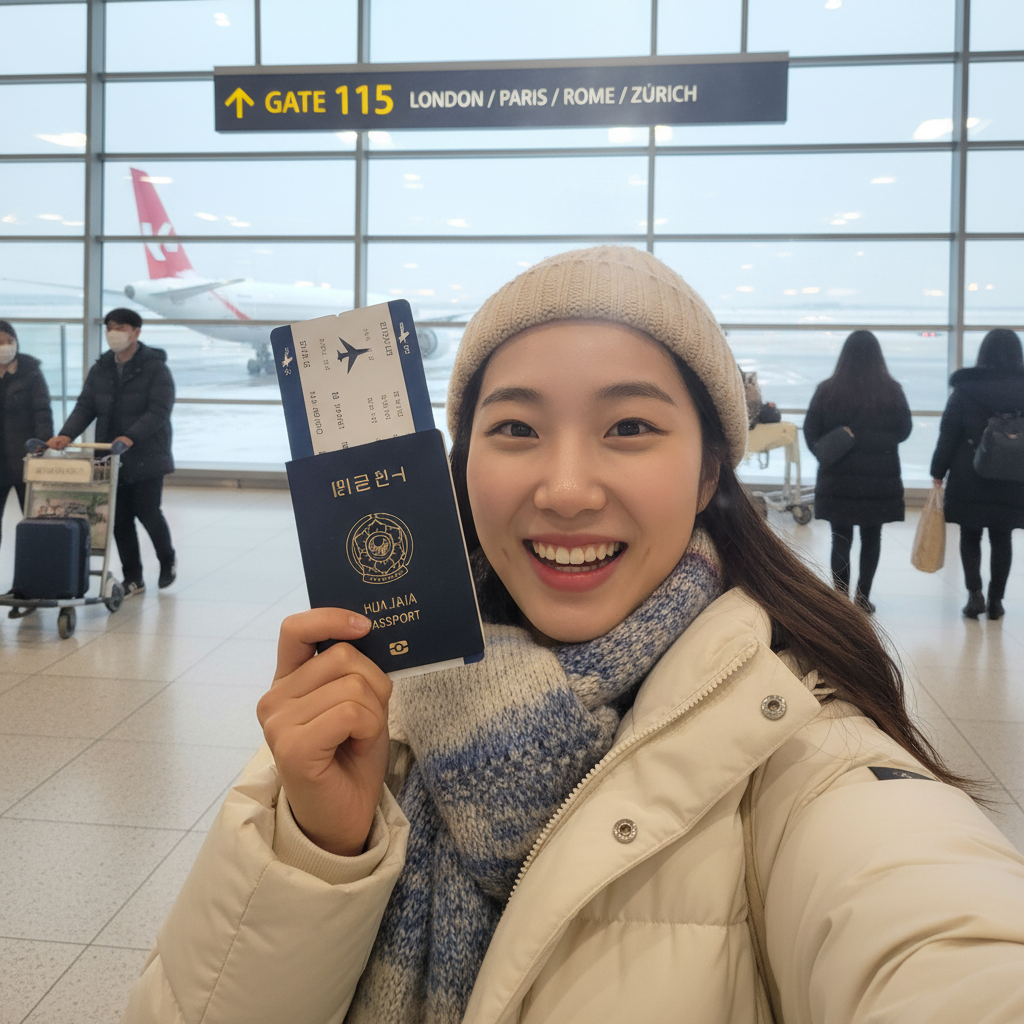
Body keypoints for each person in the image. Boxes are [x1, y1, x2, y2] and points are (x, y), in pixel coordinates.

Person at [122, 248, 1024, 1024]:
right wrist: (318, 851)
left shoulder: (805, 756)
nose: (564, 488)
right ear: (460, 454)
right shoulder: (374, 702)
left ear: (712, 464)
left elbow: (938, 937)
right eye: (513, 427)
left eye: (629, 427)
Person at [48, 308, 176, 596]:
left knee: (148, 512)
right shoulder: (102, 368)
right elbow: (86, 406)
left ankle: (167, 559)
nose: (113, 334)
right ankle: (134, 577)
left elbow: (159, 411)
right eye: (109, 328)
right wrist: (67, 434)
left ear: (136, 332)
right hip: (109, 455)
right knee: (118, 519)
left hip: (146, 455)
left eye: (120, 328)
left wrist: (131, 437)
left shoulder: (155, 368)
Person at [804, 330, 912, 614]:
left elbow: (811, 432)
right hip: (880, 479)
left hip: (838, 478)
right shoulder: (892, 390)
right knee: (871, 536)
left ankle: (840, 600)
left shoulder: (827, 390)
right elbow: (904, 431)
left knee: (840, 537)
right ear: (878, 357)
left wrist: (828, 450)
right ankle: (863, 598)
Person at [931, 328, 1024, 620]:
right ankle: (996, 601)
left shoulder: (965, 388)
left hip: (969, 471)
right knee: (1002, 537)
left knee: (970, 534)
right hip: (1014, 475)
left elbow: (948, 433)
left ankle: (975, 594)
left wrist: (938, 471)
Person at [0, 320, 53, 555]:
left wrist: (41, 446)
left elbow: (42, 412)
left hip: (25, 460)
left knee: (33, 522)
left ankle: (34, 578)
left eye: (9, 341)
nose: (5, 347)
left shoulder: (30, 371)